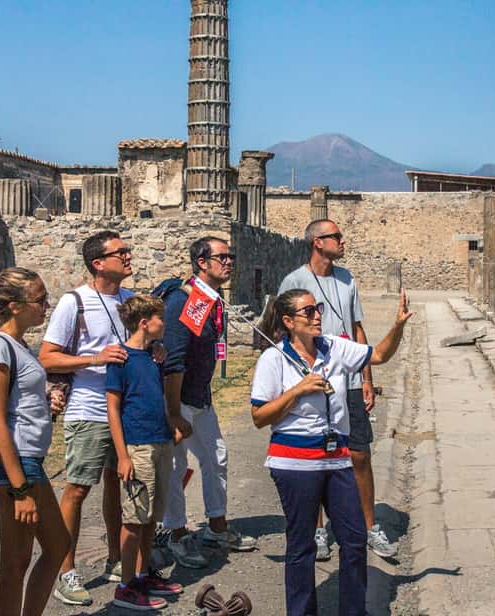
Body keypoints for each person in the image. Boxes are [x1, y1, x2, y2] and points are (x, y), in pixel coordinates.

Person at [251, 288, 414, 616]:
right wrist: (297, 391)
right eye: (308, 311)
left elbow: (378, 355)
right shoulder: (273, 358)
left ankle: (354, 610)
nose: (317, 316)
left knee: (354, 539)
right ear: (288, 321)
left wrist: (397, 327)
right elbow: (259, 417)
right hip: (294, 462)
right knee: (302, 545)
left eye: (318, 309)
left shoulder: (334, 348)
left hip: (336, 458)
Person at [278, 219, 397, 561]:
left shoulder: (347, 278)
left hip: (350, 380)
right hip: (314, 379)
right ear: (317, 242)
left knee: (359, 454)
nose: (342, 241)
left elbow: (357, 329)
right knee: (315, 456)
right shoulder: (295, 281)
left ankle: (368, 525)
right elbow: (283, 332)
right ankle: (318, 530)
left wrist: (367, 379)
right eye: (336, 236)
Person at [39, 230, 134, 606]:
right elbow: (48, 356)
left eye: (127, 250)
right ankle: (66, 570)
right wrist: (95, 359)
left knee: (117, 484)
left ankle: (116, 558)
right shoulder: (74, 302)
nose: (128, 256)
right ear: (98, 263)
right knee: (78, 488)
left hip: (125, 411)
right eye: (120, 252)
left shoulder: (130, 301)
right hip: (89, 409)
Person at [0, 267, 70, 616]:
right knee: (16, 562)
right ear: (14, 305)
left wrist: (47, 397)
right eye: (40, 300)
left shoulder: (18, 345)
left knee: (55, 547)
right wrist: (20, 489)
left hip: (27, 459)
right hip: (13, 463)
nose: (46, 306)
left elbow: (19, 402)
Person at [157, 236, 255, 568]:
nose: (229, 262)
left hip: (200, 397)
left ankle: (216, 526)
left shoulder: (208, 300)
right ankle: (177, 533)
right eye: (222, 257)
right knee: (175, 467)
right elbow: (175, 360)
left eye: (232, 256)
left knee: (216, 457)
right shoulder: (187, 301)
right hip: (178, 400)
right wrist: (173, 413)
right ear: (202, 262)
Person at [105, 295, 186, 610]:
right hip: (137, 445)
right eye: (159, 318)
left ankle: (143, 573)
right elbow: (113, 408)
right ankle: (126, 585)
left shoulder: (156, 356)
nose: (163, 324)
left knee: (152, 515)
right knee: (134, 517)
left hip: (161, 441)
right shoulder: (121, 359)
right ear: (144, 322)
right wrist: (122, 456)